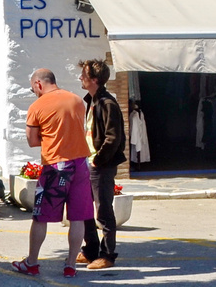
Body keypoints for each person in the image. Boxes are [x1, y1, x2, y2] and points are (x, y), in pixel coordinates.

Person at [13, 67, 93, 278]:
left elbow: (32, 141)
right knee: (78, 218)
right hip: (81, 164)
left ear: (38, 84)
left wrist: (48, 138)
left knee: (41, 217)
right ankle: (70, 265)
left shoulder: (37, 106)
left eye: (33, 89)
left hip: (56, 165)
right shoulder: (77, 100)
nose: (35, 93)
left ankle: (31, 262)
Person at [79, 59, 126, 271]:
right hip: (89, 163)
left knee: (103, 210)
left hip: (101, 165)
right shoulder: (92, 101)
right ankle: (90, 250)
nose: (80, 78)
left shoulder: (107, 103)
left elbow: (113, 137)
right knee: (85, 208)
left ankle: (107, 254)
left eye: (84, 75)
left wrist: (98, 159)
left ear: (94, 79)